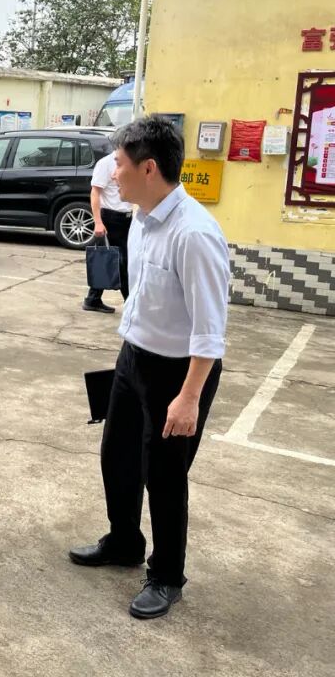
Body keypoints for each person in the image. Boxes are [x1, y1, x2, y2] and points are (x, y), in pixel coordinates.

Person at [69, 116, 230, 620]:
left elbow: (210, 330)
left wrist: (188, 398)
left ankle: (166, 576)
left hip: (178, 372)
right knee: (117, 456)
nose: (112, 174)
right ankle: (123, 541)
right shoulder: (141, 217)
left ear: (149, 168)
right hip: (133, 356)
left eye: (119, 164)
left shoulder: (194, 233)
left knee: (164, 476)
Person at [83, 147, 133, 313]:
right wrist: (98, 222)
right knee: (122, 262)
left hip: (126, 218)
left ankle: (93, 299)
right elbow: (95, 193)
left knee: (107, 260)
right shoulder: (105, 163)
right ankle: (131, 303)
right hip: (110, 218)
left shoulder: (129, 161)